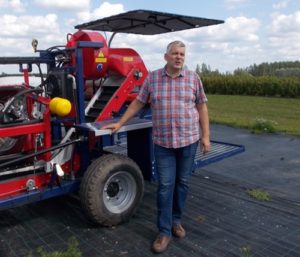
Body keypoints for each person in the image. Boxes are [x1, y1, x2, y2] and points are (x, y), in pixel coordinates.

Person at [102, 40, 210, 253]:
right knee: (164, 187)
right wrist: (120, 122)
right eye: (175, 53)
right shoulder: (153, 79)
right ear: (166, 57)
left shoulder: (192, 78)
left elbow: (202, 107)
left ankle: (176, 221)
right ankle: (164, 231)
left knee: (183, 183)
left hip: (188, 141)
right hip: (163, 144)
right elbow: (138, 102)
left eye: (182, 54)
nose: (179, 57)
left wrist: (205, 136)